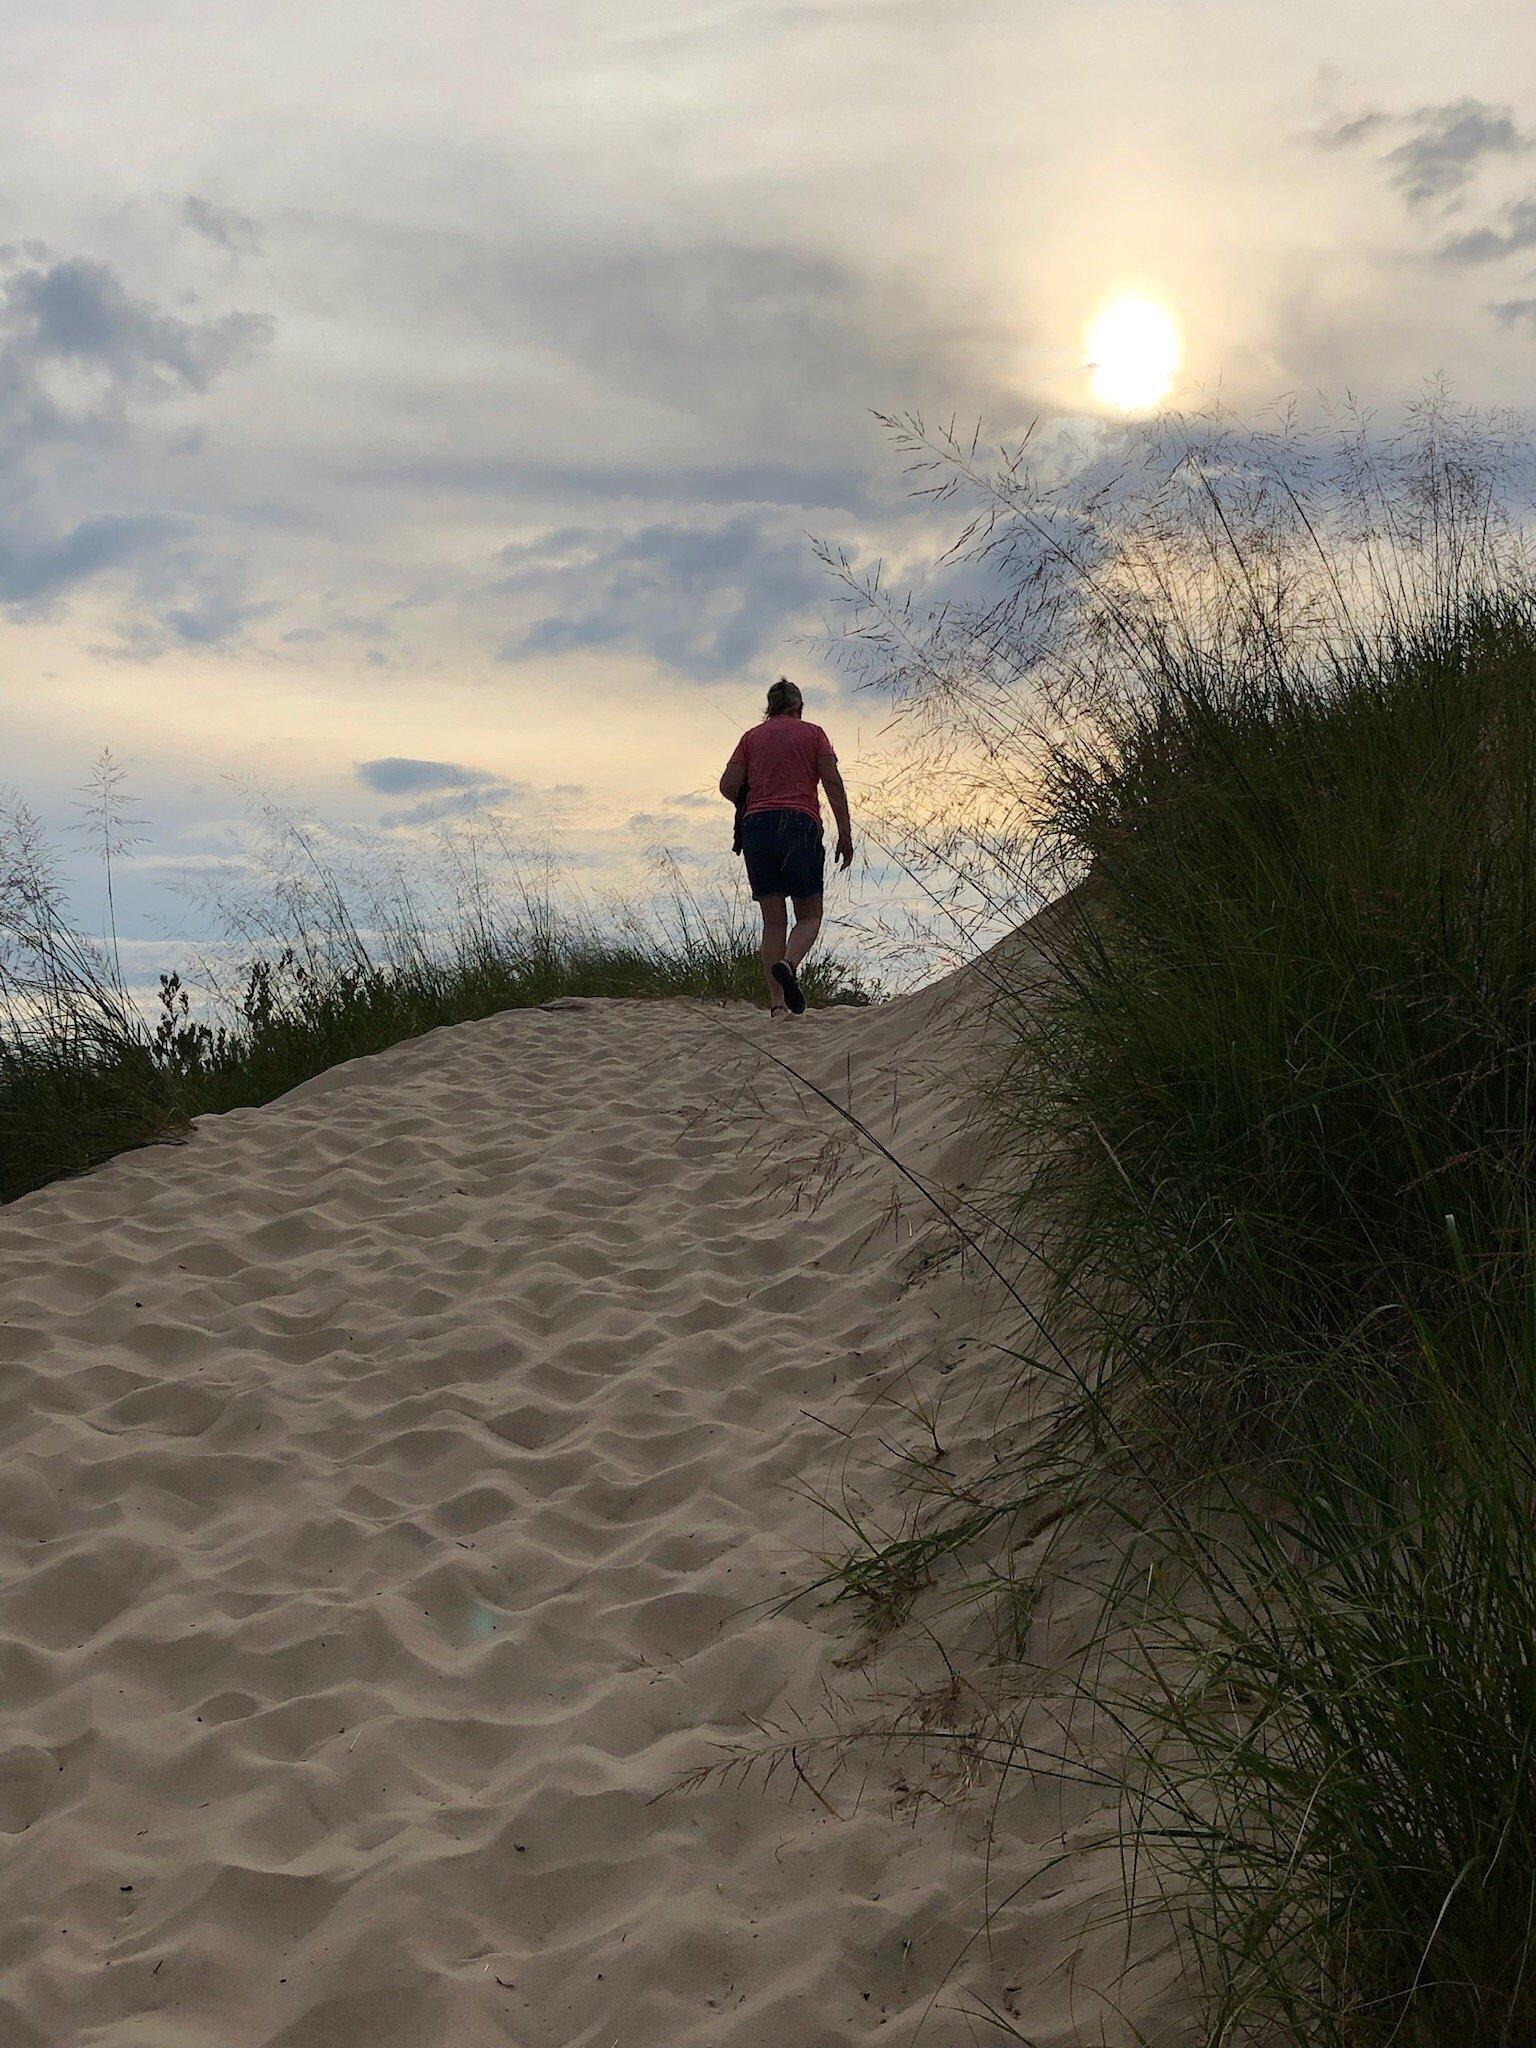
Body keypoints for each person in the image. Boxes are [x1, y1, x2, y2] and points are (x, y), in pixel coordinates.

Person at [719, 677, 853, 1017]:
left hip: (758, 828)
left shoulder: (750, 738)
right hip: (799, 825)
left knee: (772, 922)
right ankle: (790, 963)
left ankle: (778, 1004)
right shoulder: (814, 734)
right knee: (809, 915)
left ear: (769, 707)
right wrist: (845, 832)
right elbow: (832, 782)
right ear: (799, 706)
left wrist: (753, 798)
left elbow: (728, 785)